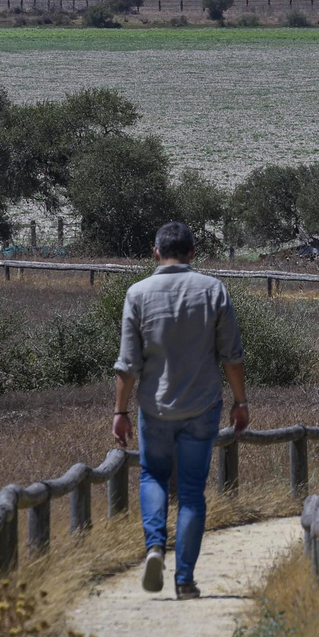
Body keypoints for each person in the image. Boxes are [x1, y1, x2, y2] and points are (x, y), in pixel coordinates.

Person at [112, 222, 251, 600]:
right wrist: (240, 403)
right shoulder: (213, 290)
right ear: (193, 252)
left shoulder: (137, 294)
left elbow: (128, 363)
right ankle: (184, 580)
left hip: (154, 407)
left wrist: (120, 411)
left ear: (155, 253)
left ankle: (155, 546)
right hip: (202, 406)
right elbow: (232, 357)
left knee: (153, 476)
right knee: (191, 493)